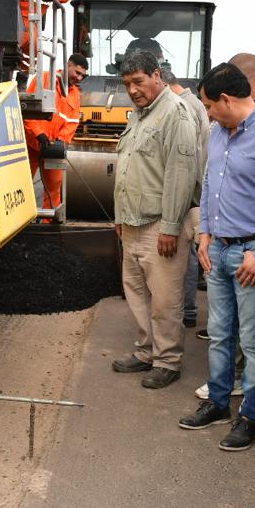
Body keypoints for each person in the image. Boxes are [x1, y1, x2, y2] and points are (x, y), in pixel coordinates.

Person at [178, 63, 255, 450]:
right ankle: (218, 402)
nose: (208, 113)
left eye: (211, 105)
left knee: (254, 340)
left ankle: (251, 414)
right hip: (218, 249)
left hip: (250, 254)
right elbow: (211, 181)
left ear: (227, 100)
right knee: (220, 334)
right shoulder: (217, 132)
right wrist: (205, 234)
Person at [110, 50, 200, 390]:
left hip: (160, 226)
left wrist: (171, 227)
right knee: (136, 293)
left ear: (157, 75)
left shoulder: (175, 114)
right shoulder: (139, 116)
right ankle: (145, 352)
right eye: (127, 84)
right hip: (132, 224)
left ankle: (167, 360)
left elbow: (181, 174)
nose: (132, 89)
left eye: (138, 81)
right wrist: (120, 218)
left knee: (164, 299)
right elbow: (129, 169)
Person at [163, 62, 210, 330]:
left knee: (186, 256)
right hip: (194, 190)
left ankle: (187, 311)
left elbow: (184, 158)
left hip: (190, 194)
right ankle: (186, 309)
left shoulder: (184, 106)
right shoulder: (193, 103)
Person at [25, 54, 85, 210]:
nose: (79, 78)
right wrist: (39, 134)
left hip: (53, 148)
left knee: (53, 189)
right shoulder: (43, 79)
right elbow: (27, 111)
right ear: (68, 65)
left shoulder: (75, 94)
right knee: (21, 186)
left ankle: (49, 224)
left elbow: (72, 122)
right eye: (77, 73)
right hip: (31, 143)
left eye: (82, 76)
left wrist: (60, 141)